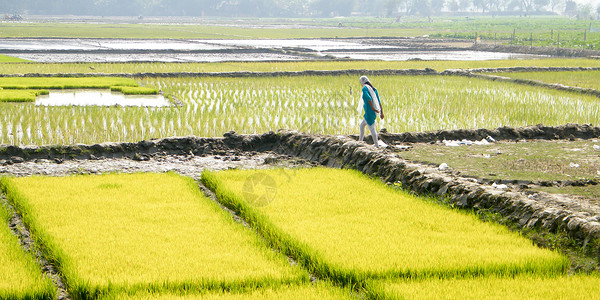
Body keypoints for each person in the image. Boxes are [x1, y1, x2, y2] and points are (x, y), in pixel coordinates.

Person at [358, 75, 384, 147]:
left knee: (372, 129)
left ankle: (376, 145)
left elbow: (368, 98)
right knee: (362, 125)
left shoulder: (365, 89)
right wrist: (381, 112)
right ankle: (360, 141)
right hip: (370, 112)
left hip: (370, 111)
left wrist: (372, 108)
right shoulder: (374, 89)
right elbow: (379, 102)